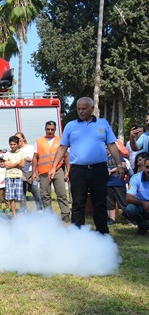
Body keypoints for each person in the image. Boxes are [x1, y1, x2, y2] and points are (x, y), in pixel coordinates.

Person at [49, 97, 125, 235]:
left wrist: (119, 164)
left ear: (91, 109)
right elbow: (62, 147)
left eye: (84, 109)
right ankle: (78, 234)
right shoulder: (71, 126)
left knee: (100, 203)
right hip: (78, 171)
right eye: (78, 109)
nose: (80, 111)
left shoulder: (103, 124)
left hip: (99, 169)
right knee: (78, 203)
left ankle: (102, 234)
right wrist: (54, 167)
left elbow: (112, 145)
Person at [32, 120, 71, 223]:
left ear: (55, 130)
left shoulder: (61, 140)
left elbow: (66, 156)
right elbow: (35, 158)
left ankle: (65, 214)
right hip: (44, 172)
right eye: (48, 129)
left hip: (58, 170)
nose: (50, 131)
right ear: (45, 129)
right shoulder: (39, 141)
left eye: (52, 130)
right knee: (45, 195)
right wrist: (33, 173)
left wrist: (68, 171)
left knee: (61, 193)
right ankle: (48, 215)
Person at [15, 132, 42, 212]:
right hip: (21, 173)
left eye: (19, 138)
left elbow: (34, 159)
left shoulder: (30, 147)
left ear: (23, 138)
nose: (18, 140)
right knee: (22, 193)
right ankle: (24, 210)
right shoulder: (17, 150)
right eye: (16, 139)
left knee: (35, 191)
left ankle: (39, 209)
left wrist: (27, 159)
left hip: (31, 172)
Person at [124, 156, 149, 235]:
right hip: (142, 206)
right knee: (130, 208)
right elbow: (128, 198)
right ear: (143, 167)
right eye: (148, 167)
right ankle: (142, 225)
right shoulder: (136, 178)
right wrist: (143, 203)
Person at [3, 135, 26, 216]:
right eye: (11, 144)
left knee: (19, 196)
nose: (12, 146)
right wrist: (16, 163)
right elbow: (6, 165)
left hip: (18, 176)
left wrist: (11, 164)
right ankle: (14, 214)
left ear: (17, 144)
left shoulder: (22, 153)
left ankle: (22, 212)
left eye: (14, 144)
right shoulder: (7, 154)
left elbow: (22, 165)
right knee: (10, 196)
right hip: (9, 177)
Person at [106, 145, 128, 225]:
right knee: (110, 203)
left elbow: (123, 165)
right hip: (108, 183)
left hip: (118, 182)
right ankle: (111, 219)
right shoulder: (102, 158)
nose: (106, 150)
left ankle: (130, 219)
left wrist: (111, 171)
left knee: (123, 202)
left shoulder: (116, 156)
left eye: (106, 148)